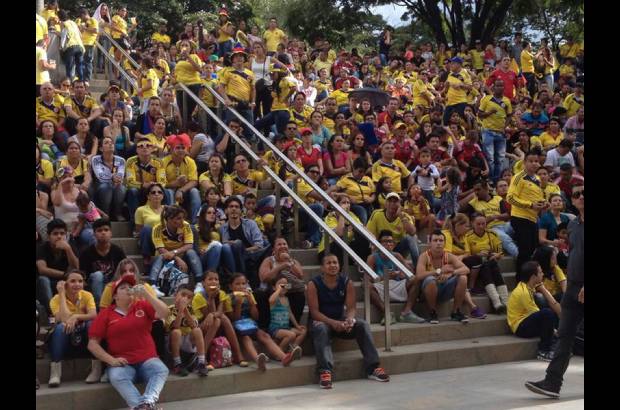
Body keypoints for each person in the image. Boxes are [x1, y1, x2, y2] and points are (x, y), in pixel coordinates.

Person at [525, 184, 583, 398]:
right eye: (577, 194)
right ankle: (552, 382)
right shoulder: (574, 226)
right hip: (573, 288)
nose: (581, 197)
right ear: (573, 200)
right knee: (565, 336)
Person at [87, 274, 170, 410]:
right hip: (123, 363)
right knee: (116, 375)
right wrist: (111, 360)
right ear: (115, 296)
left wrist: (147, 295)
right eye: (123, 288)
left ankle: (146, 403)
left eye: (130, 287)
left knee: (160, 369)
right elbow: (92, 344)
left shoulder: (142, 305)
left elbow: (164, 313)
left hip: (147, 359)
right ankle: (142, 406)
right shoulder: (106, 314)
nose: (128, 289)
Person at [308, 253, 390, 389]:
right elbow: (314, 313)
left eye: (335, 262)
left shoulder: (346, 282)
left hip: (340, 321)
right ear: (322, 268)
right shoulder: (313, 284)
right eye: (328, 263)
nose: (333, 265)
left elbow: (351, 308)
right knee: (321, 328)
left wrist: (349, 319)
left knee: (362, 324)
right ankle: (325, 372)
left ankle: (373, 368)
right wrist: (333, 323)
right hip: (321, 322)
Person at [227, 273, 299, 370]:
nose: (241, 286)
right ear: (231, 286)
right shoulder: (228, 298)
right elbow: (234, 319)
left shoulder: (249, 295)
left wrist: (252, 303)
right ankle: (258, 360)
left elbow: (256, 317)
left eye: (243, 284)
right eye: (237, 284)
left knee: (264, 335)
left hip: (250, 324)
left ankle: (284, 357)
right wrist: (239, 304)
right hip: (237, 326)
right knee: (246, 338)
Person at [47, 269, 99, 387]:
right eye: (73, 281)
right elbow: (63, 318)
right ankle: (55, 372)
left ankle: (96, 368)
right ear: (65, 284)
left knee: (91, 324)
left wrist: (76, 316)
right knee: (61, 327)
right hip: (66, 336)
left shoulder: (87, 295)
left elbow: (93, 315)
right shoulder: (55, 299)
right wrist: (61, 294)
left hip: (83, 334)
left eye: (80, 281)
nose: (77, 284)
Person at [366, 230, 426, 325]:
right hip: (381, 285)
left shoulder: (397, 256)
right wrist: (384, 277)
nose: (388, 244)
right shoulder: (372, 257)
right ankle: (387, 314)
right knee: (366, 285)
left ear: (394, 244)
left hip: (397, 284)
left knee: (416, 279)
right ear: (379, 243)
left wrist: (401, 274)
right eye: (385, 241)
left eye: (390, 241)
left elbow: (410, 272)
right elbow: (368, 278)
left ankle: (406, 312)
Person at [192, 271, 248, 367]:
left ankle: (238, 355)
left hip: (217, 324)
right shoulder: (199, 296)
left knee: (220, 319)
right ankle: (201, 355)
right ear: (203, 283)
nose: (214, 281)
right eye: (210, 279)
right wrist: (210, 299)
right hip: (202, 326)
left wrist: (212, 312)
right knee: (217, 319)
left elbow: (219, 312)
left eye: (216, 279)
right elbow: (206, 317)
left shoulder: (221, 293)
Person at [507, 261, 560, 361]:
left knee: (548, 311)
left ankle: (555, 346)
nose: (543, 274)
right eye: (540, 272)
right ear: (533, 277)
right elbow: (537, 314)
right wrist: (555, 331)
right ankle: (543, 351)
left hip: (526, 320)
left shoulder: (528, 287)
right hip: (520, 327)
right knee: (547, 313)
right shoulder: (523, 292)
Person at [507, 149, 547, 280]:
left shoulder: (537, 178)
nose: (534, 164)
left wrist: (543, 203)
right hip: (519, 217)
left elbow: (538, 197)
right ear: (524, 162)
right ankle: (521, 280)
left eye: (536, 161)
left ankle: (529, 278)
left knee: (532, 249)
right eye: (531, 161)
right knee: (524, 251)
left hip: (533, 218)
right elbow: (510, 198)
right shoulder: (518, 177)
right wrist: (530, 205)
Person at [416, 230, 471, 324]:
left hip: (445, 289)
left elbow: (466, 269)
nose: (438, 243)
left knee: (463, 277)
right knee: (430, 280)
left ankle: (455, 312)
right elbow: (419, 275)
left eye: (441, 241)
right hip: (427, 291)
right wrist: (439, 271)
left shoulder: (449, 256)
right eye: (435, 240)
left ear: (444, 243)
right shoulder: (424, 256)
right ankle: (432, 312)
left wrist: (451, 273)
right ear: (430, 243)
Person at [220, 197, 271, 289]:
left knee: (270, 246)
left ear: (241, 210)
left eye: (237, 207)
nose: (234, 209)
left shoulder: (250, 223)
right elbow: (224, 245)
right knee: (237, 244)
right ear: (226, 210)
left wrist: (243, 250)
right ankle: (243, 280)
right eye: (231, 206)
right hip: (234, 257)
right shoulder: (222, 228)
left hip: (252, 254)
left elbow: (259, 245)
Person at [464, 214, 509, 313]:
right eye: (478, 224)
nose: (481, 226)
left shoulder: (492, 234)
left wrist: (496, 255)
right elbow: (467, 255)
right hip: (476, 268)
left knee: (491, 263)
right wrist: (478, 255)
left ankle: (503, 303)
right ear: (472, 224)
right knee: (486, 264)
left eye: (483, 224)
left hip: (490, 264)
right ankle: (497, 302)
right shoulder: (468, 236)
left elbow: (500, 252)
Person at [461, 179, 518, 257]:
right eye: (475, 190)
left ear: (486, 189)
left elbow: (507, 215)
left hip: (505, 225)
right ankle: (520, 256)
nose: (476, 192)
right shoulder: (473, 203)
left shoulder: (498, 199)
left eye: (478, 189)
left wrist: (493, 217)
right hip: (491, 228)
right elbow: (459, 210)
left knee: (521, 225)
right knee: (504, 238)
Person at [149, 205, 203, 286]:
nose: (182, 221)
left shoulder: (186, 225)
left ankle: (199, 283)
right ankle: (153, 285)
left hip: (182, 257)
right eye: (178, 218)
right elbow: (161, 249)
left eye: (182, 218)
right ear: (169, 219)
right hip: (165, 258)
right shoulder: (157, 228)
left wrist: (174, 252)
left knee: (191, 252)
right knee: (161, 256)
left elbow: (189, 245)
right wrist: (177, 258)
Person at [163, 284, 209, 377]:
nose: (185, 299)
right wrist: (180, 311)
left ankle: (201, 362)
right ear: (176, 295)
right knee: (177, 331)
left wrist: (185, 310)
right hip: (173, 343)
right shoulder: (169, 310)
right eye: (183, 295)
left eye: (189, 297)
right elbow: (175, 326)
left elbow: (193, 325)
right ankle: (177, 364)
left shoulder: (191, 310)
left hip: (188, 342)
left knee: (197, 330)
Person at [78, 218, 127, 306]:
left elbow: (124, 270)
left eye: (106, 230)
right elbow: (82, 276)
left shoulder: (118, 251)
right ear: (94, 234)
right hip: (94, 285)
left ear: (111, 233)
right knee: (98, 275)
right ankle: (100, 306)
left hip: (112, 284)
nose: (103, 233)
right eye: (99, 230)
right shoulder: (86, 253)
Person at [367, 192, 420, 266]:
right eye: (390, 201)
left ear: (399, 204)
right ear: (385, 204)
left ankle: (417, 266)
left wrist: (401, 216)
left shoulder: (405, 216)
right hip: (381, 247)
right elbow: (369, 232)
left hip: (398, 248)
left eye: (395, 202)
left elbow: (413, 232)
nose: (392, 204)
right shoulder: (376, 214)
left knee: (412, 237)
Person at [217, 44, 255, 141]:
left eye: (241, 56)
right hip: (233, 103)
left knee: (249, 130)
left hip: (246, 104)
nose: (239, 58)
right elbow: (220, 87)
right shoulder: (227, 71)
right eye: (237, 56)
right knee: (231, 128)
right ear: (232, 59)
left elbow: (253, 89)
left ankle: (248, 151)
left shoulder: (250, 73)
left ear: (244, 58)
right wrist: (226, 99)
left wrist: (253, 102)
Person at [162, 134, 201, 225]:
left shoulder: (190, 161)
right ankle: (171, 221)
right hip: (169, 191)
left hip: (184, 192)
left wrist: (181, 190)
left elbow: (194, 181)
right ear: (171, 149)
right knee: (169, 192)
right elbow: (162, 183)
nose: (181, 150)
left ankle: (194, 223)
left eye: (183, 148)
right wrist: (175, 184)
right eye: (178, 148)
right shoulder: (163, 162)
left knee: (195, 191)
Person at [478, 79, 512, 183]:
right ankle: (490, 180)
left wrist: (504, 127)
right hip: (488, 131)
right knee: (490, 158)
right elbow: (479, 114)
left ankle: (497, 180)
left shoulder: (506, 101)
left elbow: (509, 115)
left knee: (500, 158)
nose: (500, 88)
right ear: (493, 87)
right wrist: (489, 112)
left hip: (500, 133)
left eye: (502, 86)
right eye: (498, 86)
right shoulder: (487, 99)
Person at [91, 136, 127, 221]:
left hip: (116, 185)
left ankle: (118, 213)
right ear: (101, 148)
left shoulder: (121, 160)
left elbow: (120, 175)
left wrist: (116, 178)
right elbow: (100, 176)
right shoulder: (96, 159)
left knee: (121, 187)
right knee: (106, 187)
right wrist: (112, 177)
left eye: (111, 142)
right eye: (106, 143)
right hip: (100, 186)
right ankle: (105, 214)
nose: (110, 144)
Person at [268, 275, 307, 353]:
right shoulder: (275, 299)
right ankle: (279, 352)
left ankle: (293, 348)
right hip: (276, 329)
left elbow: (290, 313)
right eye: (281, 284)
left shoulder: (286, 299)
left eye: (285, 285)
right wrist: (279, 289)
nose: (283, 287)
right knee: (291, 335)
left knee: (303, 331)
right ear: (273, 287)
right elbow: (271, 300)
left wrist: (297, 326)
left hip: (286, 327)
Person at [59, 10, 85, 82]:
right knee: (79, 66)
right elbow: (80, 34)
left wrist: (61, 46)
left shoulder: (64, 24)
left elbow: (64, 35)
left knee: (69, 67)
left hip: (71, 47)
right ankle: (81, 83)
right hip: (80, 46)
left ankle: (69, 84)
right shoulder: (73, 23)